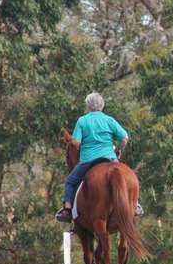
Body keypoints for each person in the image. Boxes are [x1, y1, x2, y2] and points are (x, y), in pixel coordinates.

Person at [55, 92, 129, 223]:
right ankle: (134, 205)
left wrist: (76, 141)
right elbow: (124, 138)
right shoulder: (109, 120)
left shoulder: (82, 121)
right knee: (124, 178)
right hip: (110, 158)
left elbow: (76, 143)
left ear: (87, 106)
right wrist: (117, 149)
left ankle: (67, 210)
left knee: (70, 182)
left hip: (89, 160)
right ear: (102, 105)